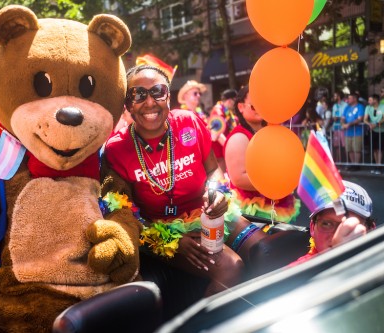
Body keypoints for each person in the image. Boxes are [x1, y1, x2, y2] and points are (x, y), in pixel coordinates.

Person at [104, 64, 244, 297]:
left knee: (264, 249)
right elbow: (123, 212)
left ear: (168, 96)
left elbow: (212, 170)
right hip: (160, 234)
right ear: (127, 104)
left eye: (158, 91)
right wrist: (172, 242)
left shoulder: (189, 122)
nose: (149, 102)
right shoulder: (116, 149)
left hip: (209, 216)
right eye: (138, 95)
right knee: (231, 268)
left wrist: (216, 190)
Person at [224, 86, 300, 224]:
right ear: (241, 107)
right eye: (254, 106)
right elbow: (239, 178)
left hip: (276, 203)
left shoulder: (270, 131)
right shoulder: (239, 137)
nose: (260, 108)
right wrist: (277, 181)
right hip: (252, 210)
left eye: (263, 104)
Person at [290, 180, 375, 265]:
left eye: (349, 226)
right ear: (312, 228)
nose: (337, 235)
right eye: (327, 224)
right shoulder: (297, 271)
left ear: (371, 230)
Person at [208, 89, 238, 172]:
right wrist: (230, 148)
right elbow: (216, 132)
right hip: (219, 153)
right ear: (229, 101)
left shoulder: (228, 112)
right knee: (223, 177)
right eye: (235, 100)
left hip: (224, 150)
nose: (236, 104)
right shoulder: (217, 111)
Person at [363, 94, 384, 173]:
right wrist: (369, 124)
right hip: (373, 130)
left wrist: (376, 124)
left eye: (370, 100)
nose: (368, 102)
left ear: (375, 100)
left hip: (382, 130)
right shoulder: (368, 107)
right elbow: (365, 119)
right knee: (374, 149)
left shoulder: (383, 106)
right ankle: (376, 165)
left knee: (380, 149)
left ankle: (379, 166)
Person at [341, 92, 365, 171]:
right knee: (349, 149)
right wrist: (343, 123)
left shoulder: (360, 106)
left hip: (357, 131)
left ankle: (357, 164)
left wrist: (349, 124)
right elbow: (342, 117)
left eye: (350, 98)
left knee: (357, 148)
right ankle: (353, 163)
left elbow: (360, 119)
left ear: (355, 99)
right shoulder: (347, 107)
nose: (348, 100)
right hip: (348, 132)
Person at [331, 91, 347, 162]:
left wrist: (339, 118)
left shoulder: (345, 105)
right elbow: (333, 116)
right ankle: (338, 161)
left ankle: (346, 161)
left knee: (344, 145)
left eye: (335, 96)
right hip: (336, 127)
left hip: (343, 127)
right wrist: (335, 118)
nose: (334, 97)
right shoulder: (334, 106)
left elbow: (345, 116)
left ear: (339, 96)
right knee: (337, 146)